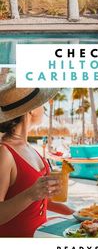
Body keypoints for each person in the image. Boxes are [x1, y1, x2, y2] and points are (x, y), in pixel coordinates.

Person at [0, 81, 74, 237]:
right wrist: (30, 194)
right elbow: (30, 195)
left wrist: (79, 215)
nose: (44, 109)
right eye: (42, 105)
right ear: (32, 110)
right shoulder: (4, 153)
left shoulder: (30, 149)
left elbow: (43, 201)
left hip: (39, 236)